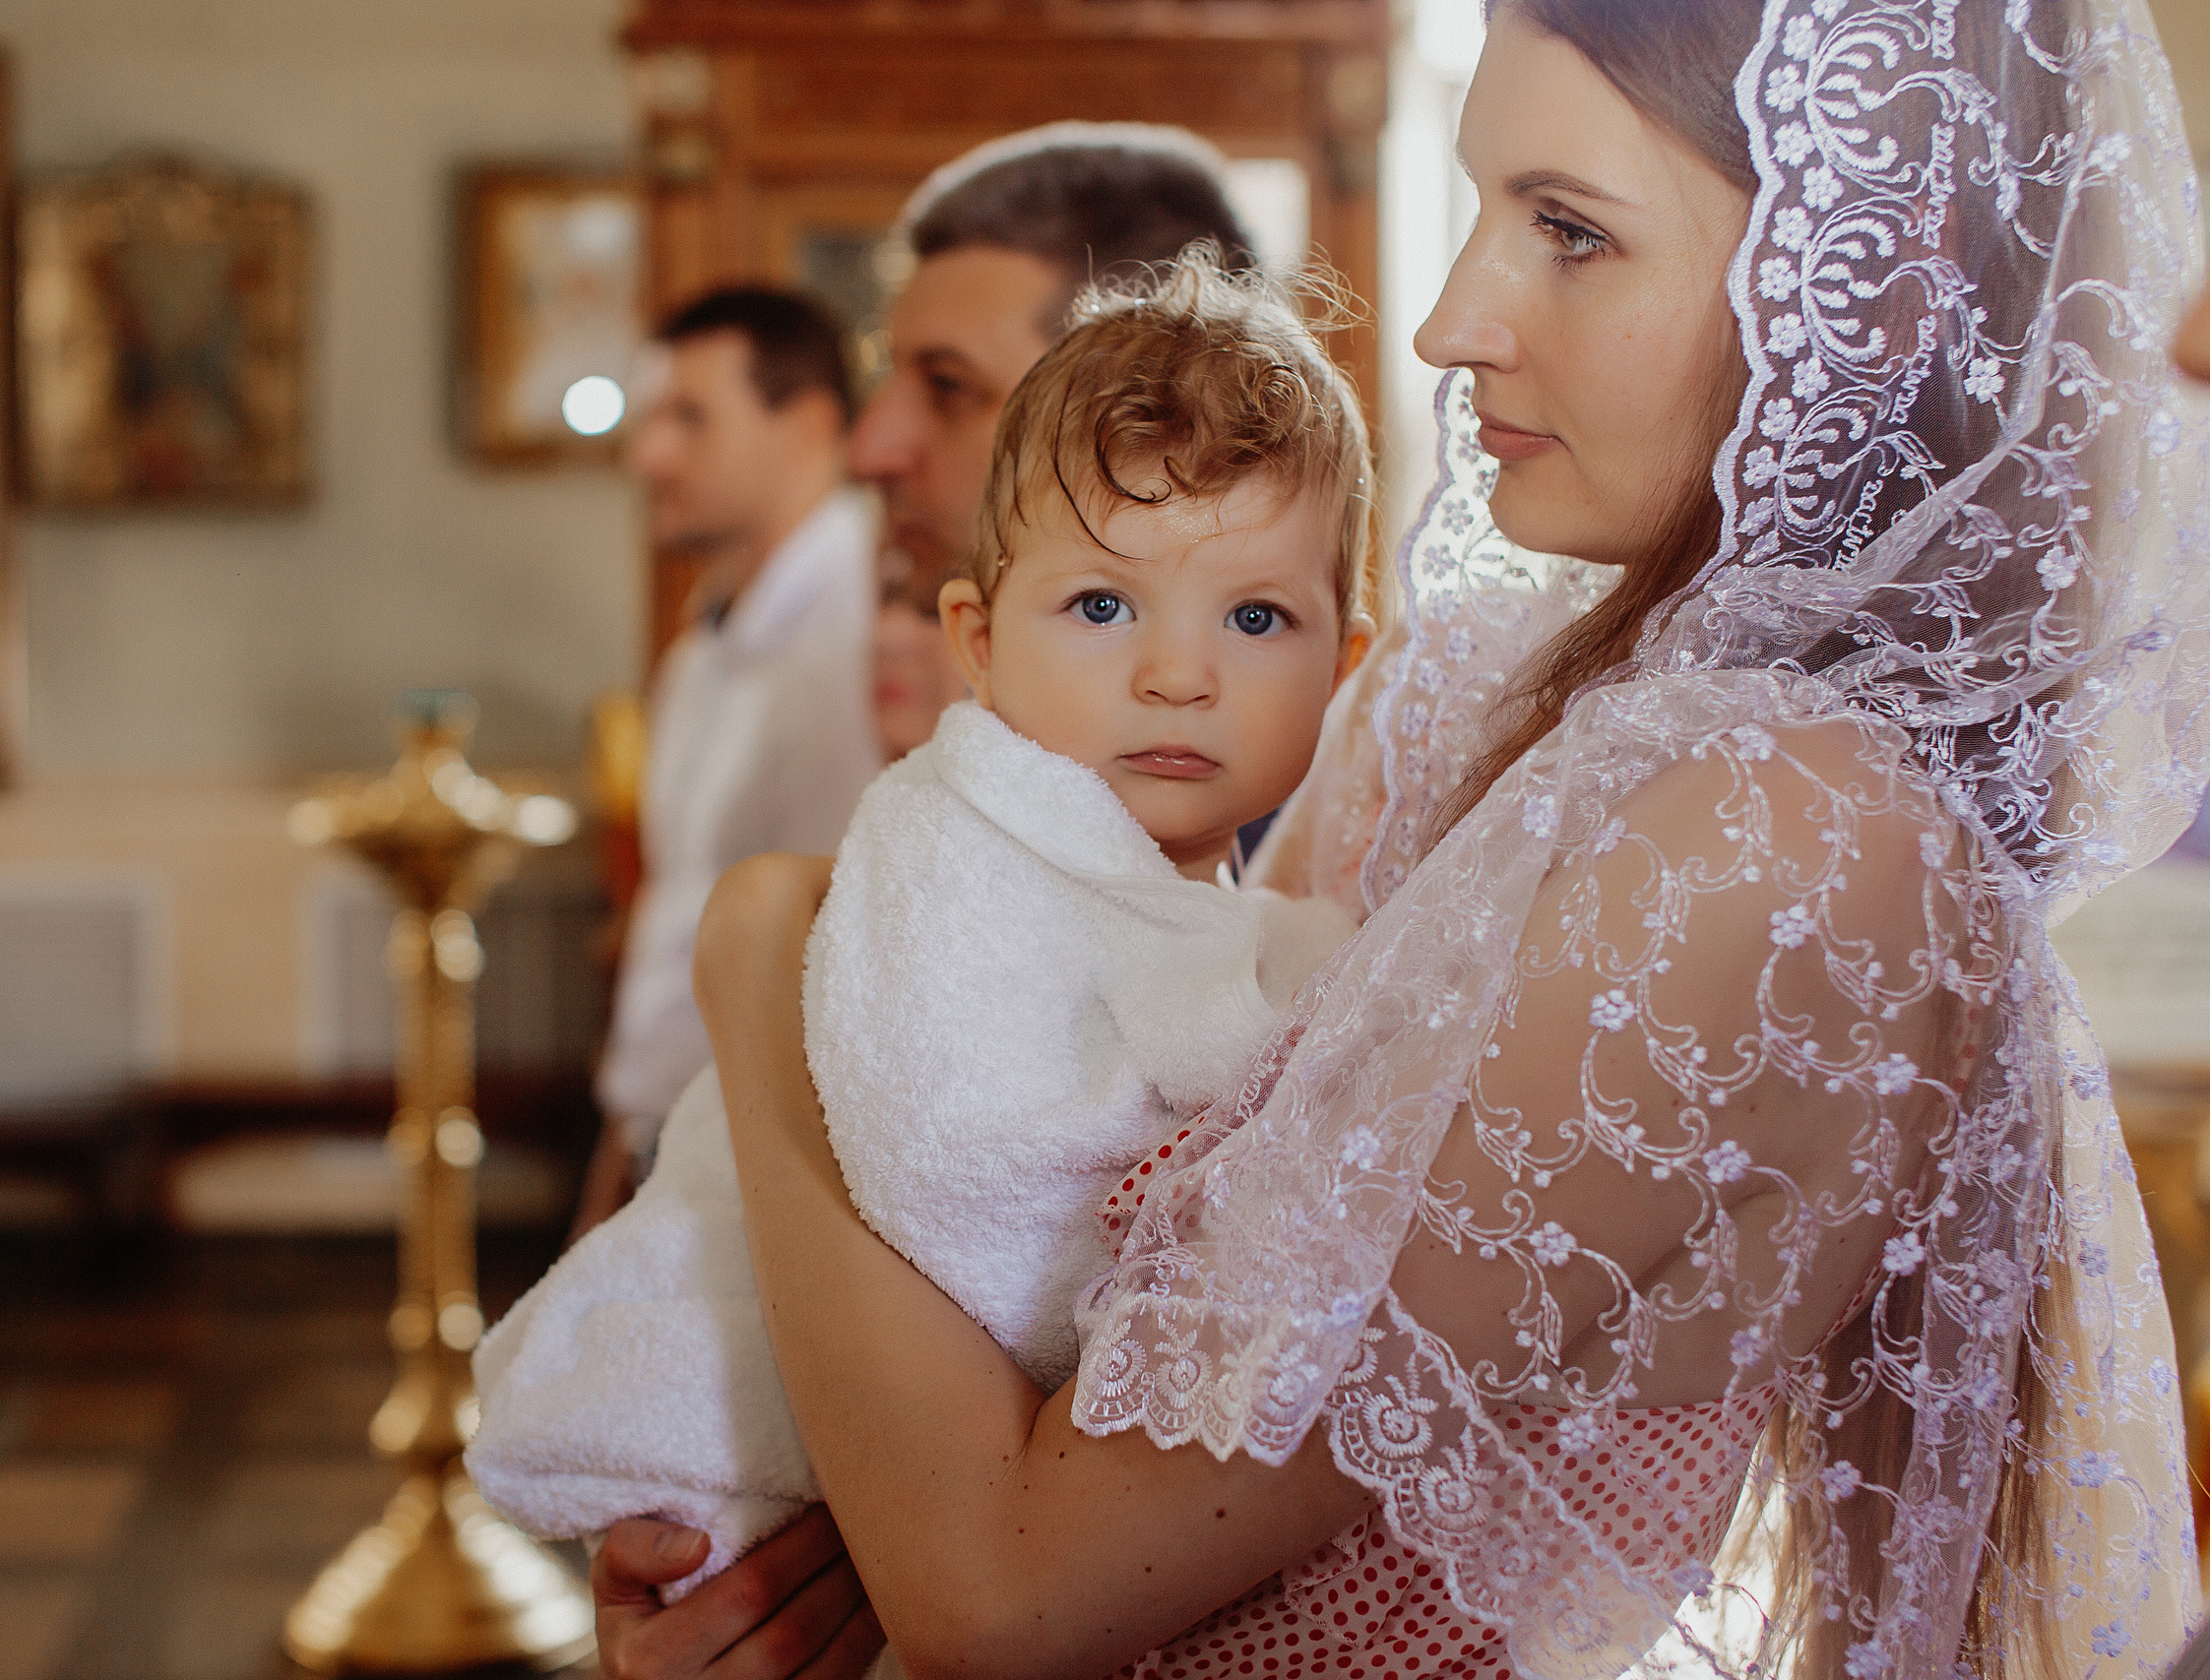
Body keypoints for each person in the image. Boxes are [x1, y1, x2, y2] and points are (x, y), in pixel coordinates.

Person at [675, 2, 2207, 1677]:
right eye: (1487, 210)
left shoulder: (1793, 829)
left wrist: (762, 958)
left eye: (1569, 231)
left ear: (1864, 287)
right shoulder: (1475, 695)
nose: (1447, 319)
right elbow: (1078, 1305)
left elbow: (1008, 1590)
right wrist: (784, 1551)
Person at [470, 255, 1370, 1585]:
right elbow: (955, 1166)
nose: (1180, 673)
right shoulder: (953, 847)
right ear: (979, 636)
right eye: (1102, 605)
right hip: (911, 1449)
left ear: (1342, 663)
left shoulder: (1212, 897)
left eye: (1256, 615)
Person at [579, 125, 1258, 1675]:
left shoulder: (1271, 855)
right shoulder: (956, 753)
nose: (875, 441)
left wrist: (757, 942)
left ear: (1143, 405)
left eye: (941, 387)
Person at [573, 286, 879, 1235]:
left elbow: (842, 950)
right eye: (649, 418)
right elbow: (677, 913)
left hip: (769, 1164)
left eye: (689, 419)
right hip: (665, 1127)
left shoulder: (862, 639)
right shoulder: (707, 636)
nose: (647, 456)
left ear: (809, 426)